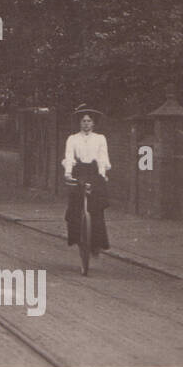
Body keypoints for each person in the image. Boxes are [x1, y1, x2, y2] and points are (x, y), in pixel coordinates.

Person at [62, 107, 112, 258]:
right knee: (74, 207)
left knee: (96, 208)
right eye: (83, 121)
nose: (86, 124)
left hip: (94, 171)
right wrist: (68, 173)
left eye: (89, 121)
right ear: (79, 123)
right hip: (79, 171)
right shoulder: (72, 138)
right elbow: (69, 156)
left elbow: (103, 157)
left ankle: (96, 243)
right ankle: (78, 239)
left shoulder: (100, 138)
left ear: (93, 123)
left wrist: (103, 174)